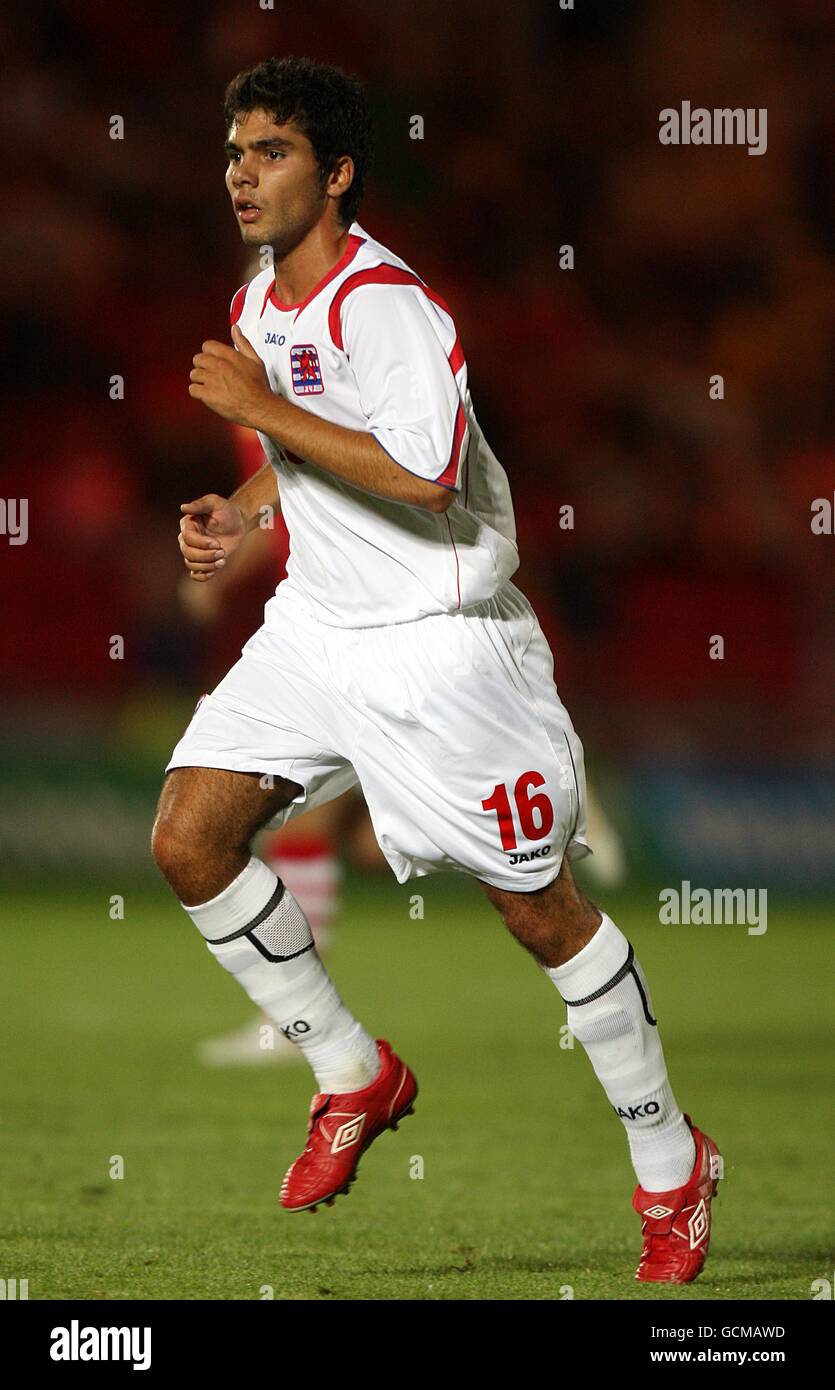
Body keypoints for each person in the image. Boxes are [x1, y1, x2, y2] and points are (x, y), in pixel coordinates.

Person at [151, 55, 721, 1282]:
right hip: (317, 624)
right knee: (189, 839)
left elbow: (422, 472)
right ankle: (353, 1071)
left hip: (441, 639)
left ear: (338, 172)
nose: (242, 175)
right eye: (234, 151)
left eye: (273, 153)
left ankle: (672, 1163)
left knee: (536, 910)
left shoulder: (385, 306)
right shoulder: (261, 301)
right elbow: (307, 462)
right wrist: (245, 510)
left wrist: (257, 405)